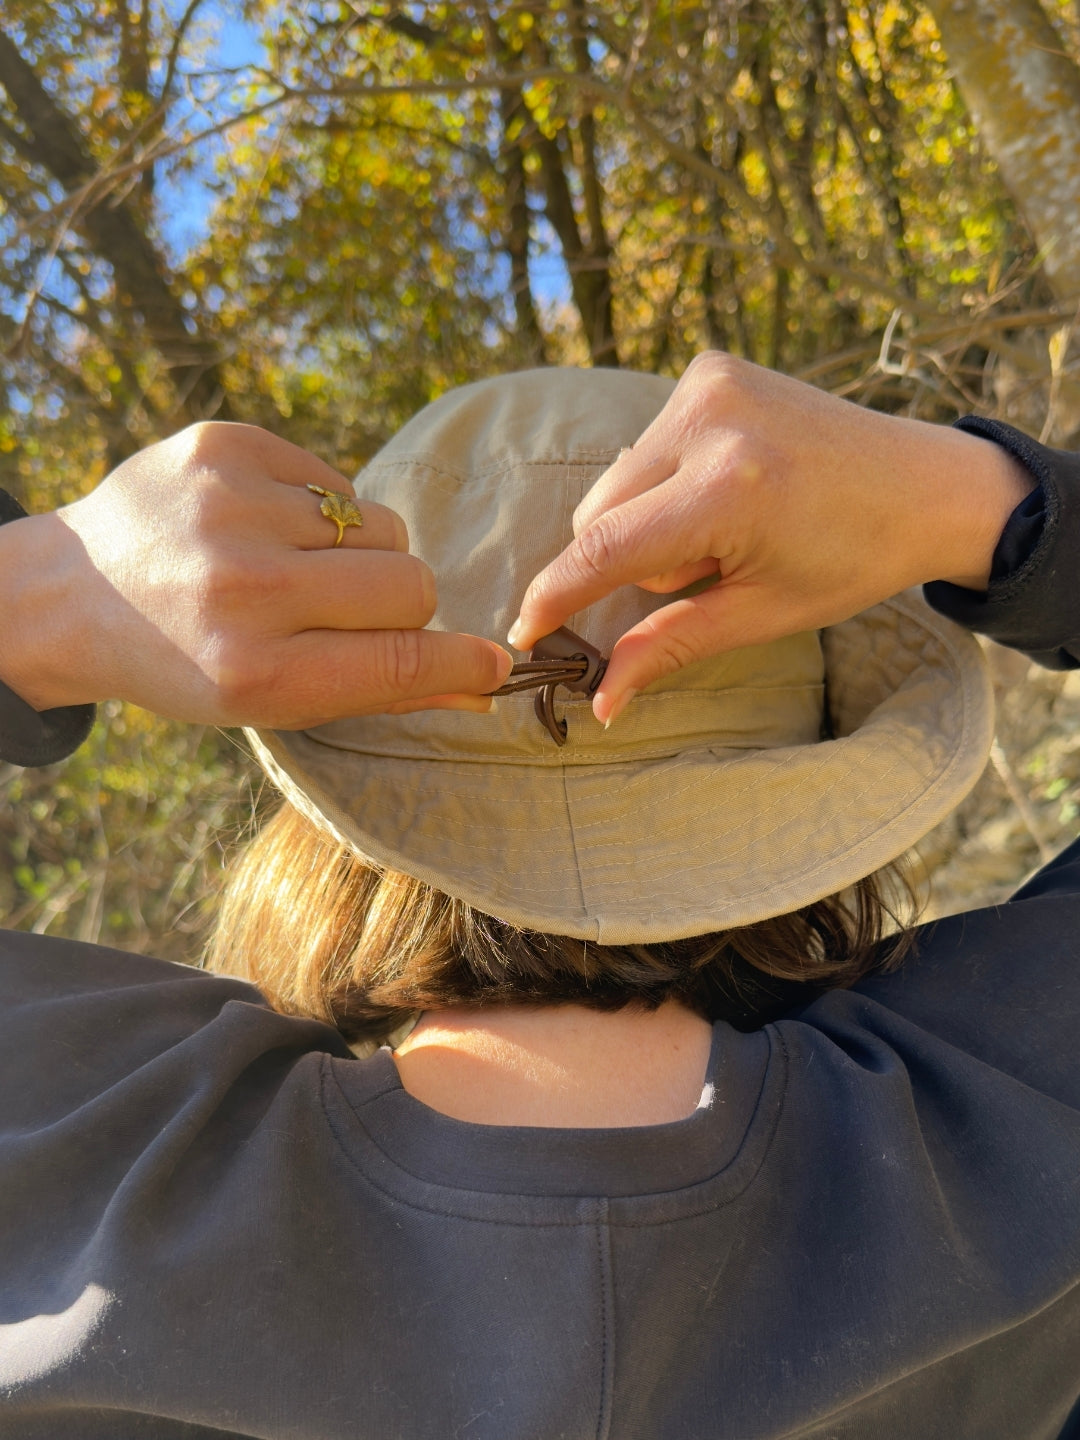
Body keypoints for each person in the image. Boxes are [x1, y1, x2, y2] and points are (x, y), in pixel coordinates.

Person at [0, 355, 1078, 1439]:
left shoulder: (71, 1182)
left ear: (323, 824)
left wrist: (42, 591)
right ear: (819, 765)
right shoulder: (1025, 1125)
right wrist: (982, 501)